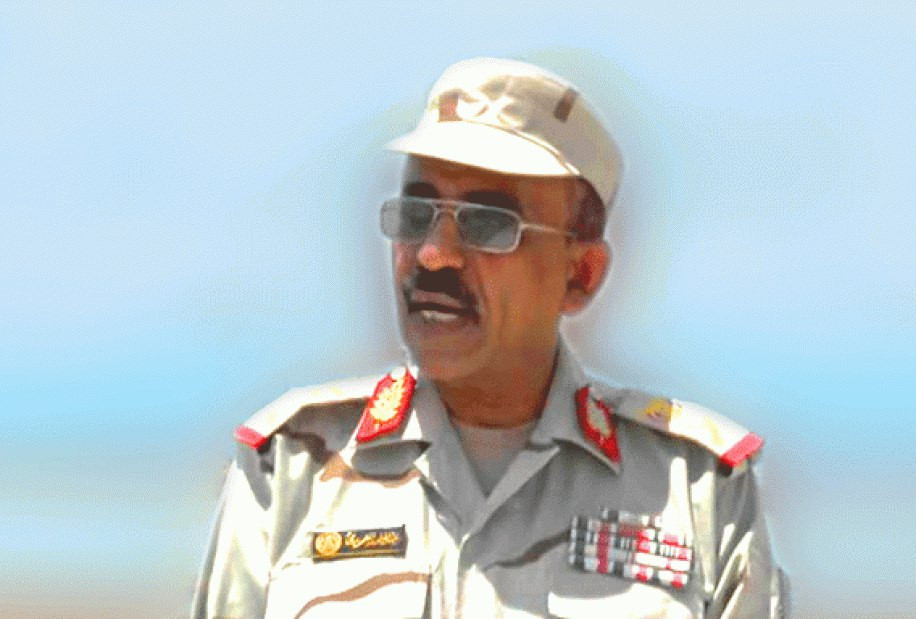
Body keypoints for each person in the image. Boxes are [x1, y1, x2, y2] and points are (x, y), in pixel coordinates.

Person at [192, 57, 787, 618]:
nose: (434, 255)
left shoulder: (695, 491)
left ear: (579, 276)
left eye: (488, 225)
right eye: (416, 214)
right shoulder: (291, 468)